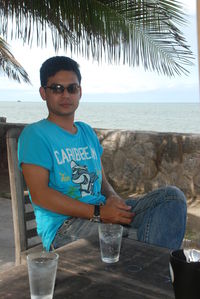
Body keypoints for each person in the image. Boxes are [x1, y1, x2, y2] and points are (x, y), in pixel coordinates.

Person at [18, 56, 187, 252]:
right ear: (43, 93)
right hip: (65, 226)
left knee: (172, 198)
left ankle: (147, 269)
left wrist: (113, 197)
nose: (65, 95)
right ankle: (154, 271)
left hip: (101, 212)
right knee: (132, 240)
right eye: (57, 88)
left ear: (80, 92)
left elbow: (101, 180)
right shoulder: (35, 134)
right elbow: (40, 195)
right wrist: (99, 213)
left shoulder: (86, 132)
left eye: (72, 88)